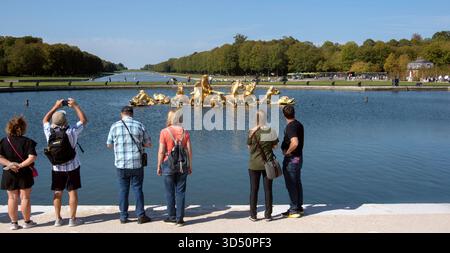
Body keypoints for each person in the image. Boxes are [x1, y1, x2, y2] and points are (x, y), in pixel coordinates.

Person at [43, 98, 87, 227]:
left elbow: (45, 120)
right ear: (65, 120)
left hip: (56, 168)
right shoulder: (71, 131)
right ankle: (72, 219)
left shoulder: (48, 132)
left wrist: (55, 106)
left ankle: (58, 219)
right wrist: (75, 106)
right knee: (72, 192)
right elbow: (84, 121)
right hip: (72, 166)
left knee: (57, 192)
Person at [107, 106, 152, 224]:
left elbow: (109, 145)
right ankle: (141, 215)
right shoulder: (139, 125)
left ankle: (123, 216)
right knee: (137, 189)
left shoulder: (114, 126)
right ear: (132, 114)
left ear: (121, 114)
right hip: (137, 163)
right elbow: (149, 144)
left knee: (123, 190)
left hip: (121, 164)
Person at [0, 116, 37, 230]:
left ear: (9, 128)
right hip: (24, 172)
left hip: (9, 172)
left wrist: (10, 164)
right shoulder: (28, 141)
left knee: (11, 198)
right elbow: (32, 157)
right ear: (23, 128)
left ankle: (14, 223)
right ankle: (27, 222)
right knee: (25, 197)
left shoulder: (3, 141)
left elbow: (0, 157)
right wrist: (20, 165)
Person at [157, 110, 192, 227]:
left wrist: (159, 165)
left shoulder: (164, 132)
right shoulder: (185, 132)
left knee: (169, 192)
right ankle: (180, 219)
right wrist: (190, 166)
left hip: (168, 164)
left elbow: (161, 151)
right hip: (182, 165)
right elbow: (189, 151)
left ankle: (171, 216)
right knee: (181, 192)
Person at [247, 110, 278, 222]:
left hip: (254, 164)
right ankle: (268, 215)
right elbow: (275, 146)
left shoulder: (251, 132)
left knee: (254, 190)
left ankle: (253, 215)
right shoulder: (271, 131)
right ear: (266, 119)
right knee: (268, 190)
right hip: (268, 164)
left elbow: (249, 148)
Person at [280, 105, 304, 218]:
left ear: (284, 115)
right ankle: (298, 207)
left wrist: (287, 152)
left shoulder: (290, 127)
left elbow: (295, 142)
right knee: (297, 182)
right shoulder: (298, 124)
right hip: (298, 157)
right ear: (294, 113)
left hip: (292, 158)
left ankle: (294, 209)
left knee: (291, 184)